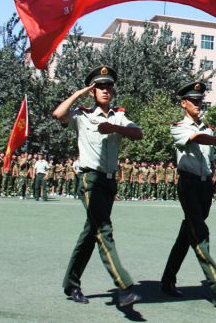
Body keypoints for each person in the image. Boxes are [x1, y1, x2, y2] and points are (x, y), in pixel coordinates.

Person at [52, 65, 143, 308]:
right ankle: (124, 286)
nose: (105, 90)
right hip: (89, 179)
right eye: (99, 86)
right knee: (103, 229)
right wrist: (79, 93)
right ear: (92, 91)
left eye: (108, 86)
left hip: (109, 181)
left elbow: (138, 133)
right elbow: (58, 114)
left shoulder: (118, 116)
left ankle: (71, 283)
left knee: (91, 233)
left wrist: (114, 128)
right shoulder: (82, 115)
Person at [160, 80, 216, 310]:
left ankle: (167, 280)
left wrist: (213, 179)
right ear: (183, 103)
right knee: (200, 233)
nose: (197, 104)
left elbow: (210, 158)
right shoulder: (179, 127)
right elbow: (197, 139)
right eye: (193, 100)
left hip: (205, 187)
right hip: (189, 185)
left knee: (187, 234)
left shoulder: (208, 128)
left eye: (200, 101)